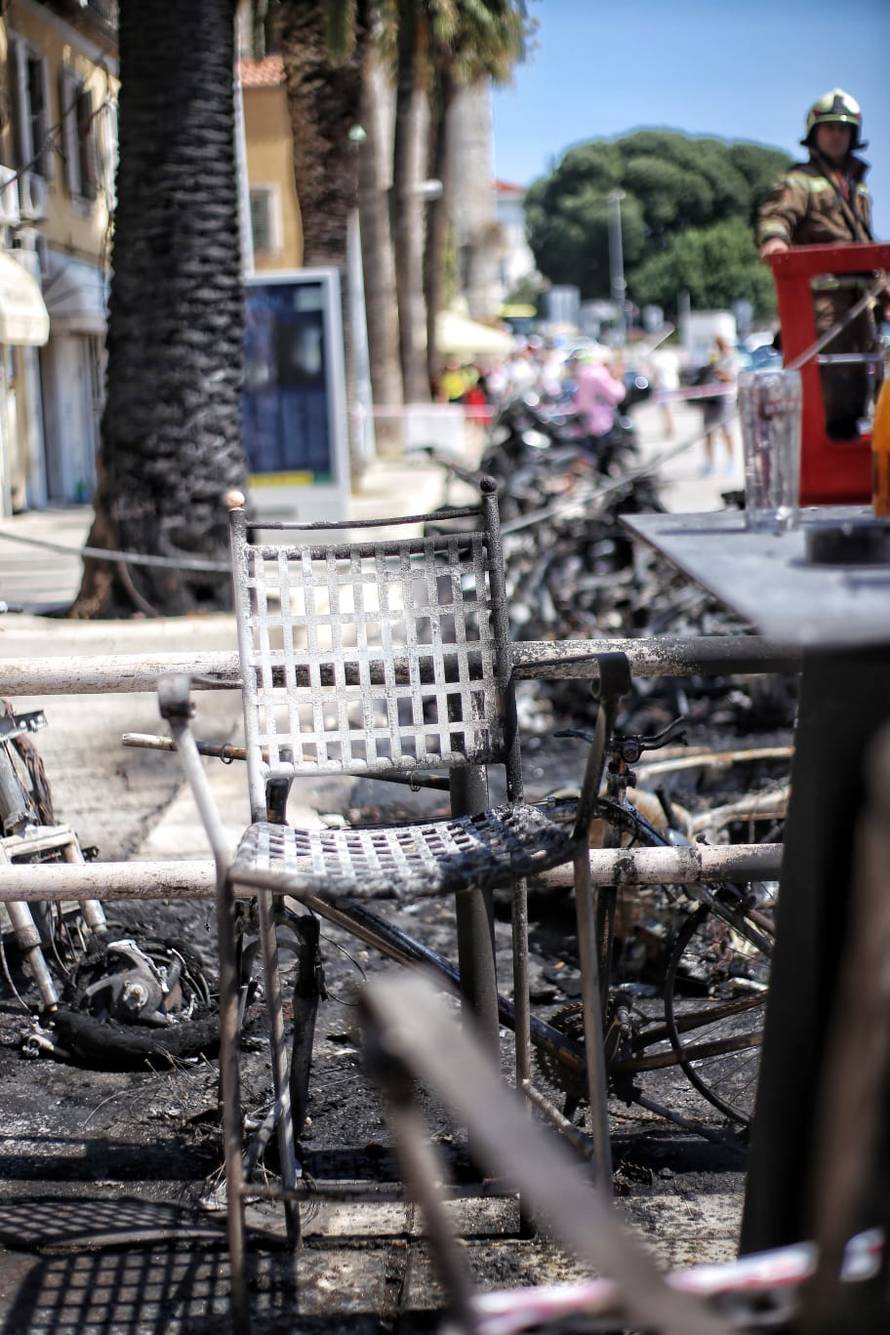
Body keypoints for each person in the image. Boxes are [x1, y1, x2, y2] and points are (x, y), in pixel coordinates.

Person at [756, 88, 878, 440]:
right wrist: (774, 241)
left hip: (859, 302)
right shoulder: (800, 181)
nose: (837, 135)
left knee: (859, 380)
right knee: (828, 385)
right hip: (822, 303)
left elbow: (864, 241)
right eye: (829, 128)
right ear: (815, 134)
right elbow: (777, 216)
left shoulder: (857, 186)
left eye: (843, 129)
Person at [570, 349, 626, 452]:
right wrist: (617, 379)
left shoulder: (583, 373)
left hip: (583, 420)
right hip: (599, 421)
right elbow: (617, 394)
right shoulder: (600, 374)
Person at [700, 335, 737, 474]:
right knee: (708, 432)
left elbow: (730, 377)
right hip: (710, 399)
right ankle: (709, 463)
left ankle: (731, 462)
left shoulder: (732, 358)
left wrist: (719, 372)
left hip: (725, 399)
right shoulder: (713, 357)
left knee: (727, 432)